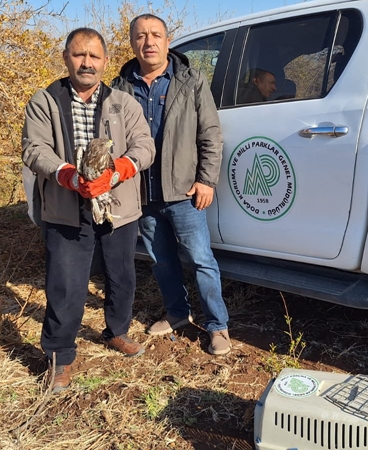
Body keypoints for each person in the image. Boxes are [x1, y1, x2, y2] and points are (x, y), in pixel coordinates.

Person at [22, 27, 156, 393]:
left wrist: (119, 170)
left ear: (105, 62)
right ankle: (59, 357)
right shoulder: (44, 101)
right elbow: (34, 150)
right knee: (65, 285)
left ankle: (117, 331)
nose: (87, 63)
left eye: (94, 56)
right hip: (66, 208)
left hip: (117, 208)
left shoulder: (124, 103)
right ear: (65, 57)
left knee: (121, 276)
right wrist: (67, 176)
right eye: (79, 55)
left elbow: (145, 145)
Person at [111, 14, 231, 356]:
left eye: (156, 35)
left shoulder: (190, 80)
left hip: (184, 193)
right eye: (141, 36)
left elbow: (210, 135)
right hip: (141, 193)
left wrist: (206, 179)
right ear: (132, 42)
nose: (148, 42)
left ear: (167, 40)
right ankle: (178, 313)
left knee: (200, 259)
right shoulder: (120, 87)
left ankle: (217, 325)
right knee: (161, 260)